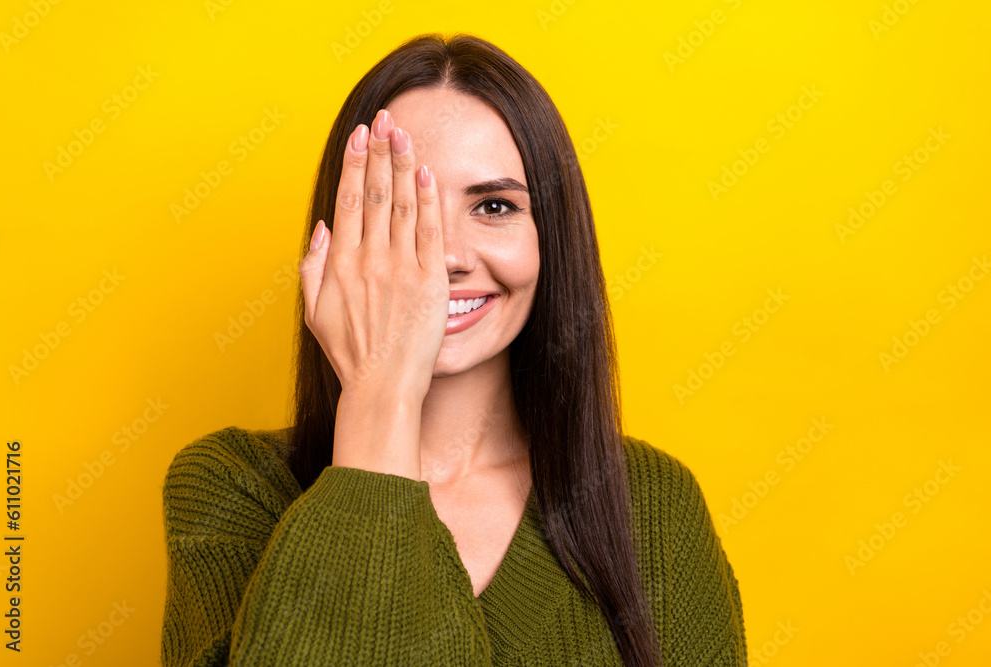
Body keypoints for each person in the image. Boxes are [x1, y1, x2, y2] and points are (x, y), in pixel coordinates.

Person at [161, 33, 747, 667]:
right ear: (336, 236)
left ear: (551, 238)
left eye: (494, 206)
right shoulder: (231, 488)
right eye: (401, 209)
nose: (444, 257)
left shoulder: (650, 505)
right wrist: (380, 394)